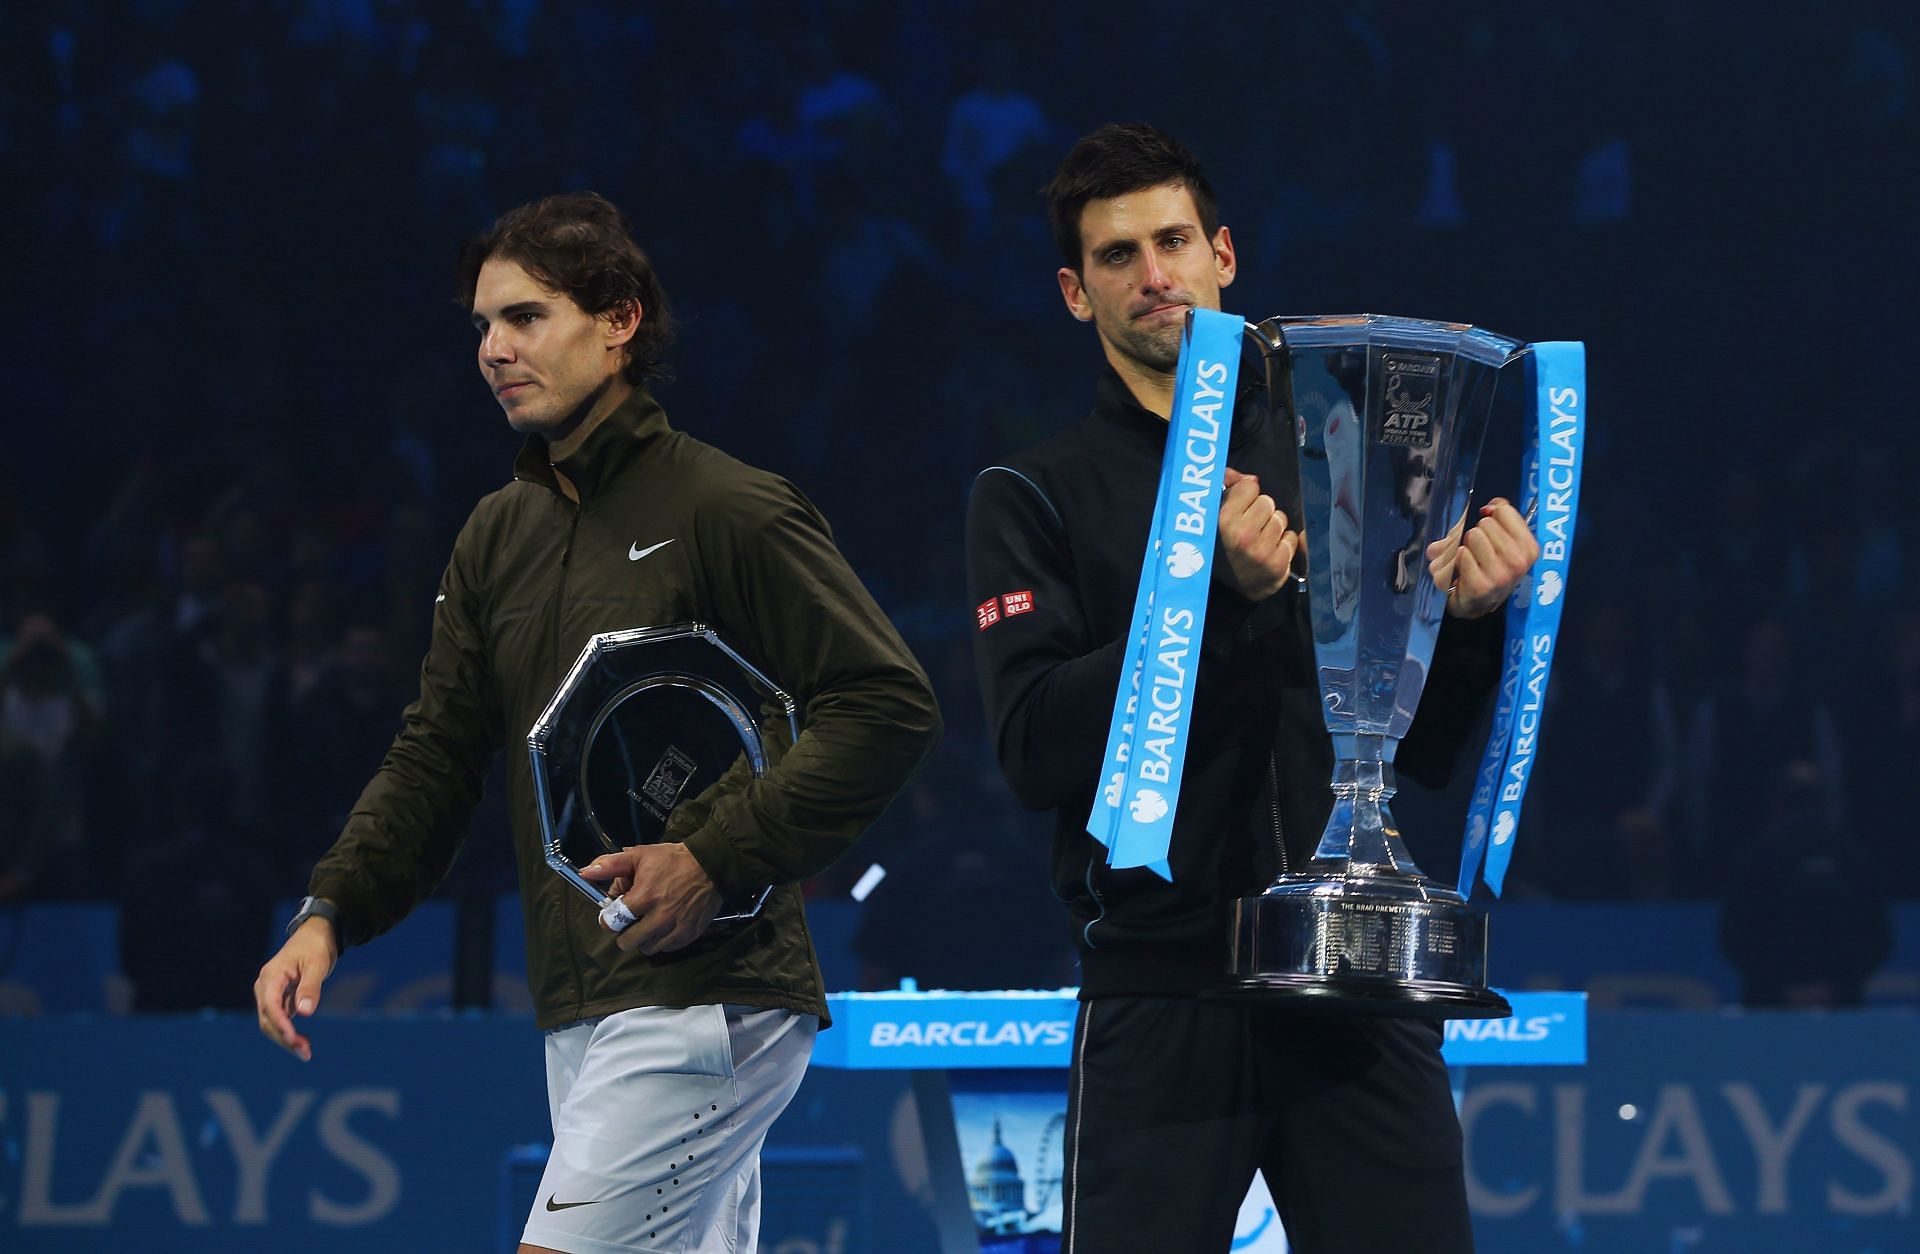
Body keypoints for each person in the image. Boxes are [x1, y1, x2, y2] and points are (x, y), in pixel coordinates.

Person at [252, 192, 941, 1254]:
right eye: (482, 326)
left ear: (618, 321)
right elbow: (436, 750)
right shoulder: (497, 538)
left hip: (708, 994)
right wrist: (331, 909)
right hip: (582, 999)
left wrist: (714, 855)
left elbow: (888, 704)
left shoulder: (729, 506)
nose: (494, 350)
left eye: (525, 317)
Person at [963, 124, 1539, 1253]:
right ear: (1076, 295)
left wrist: (1468, 627)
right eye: (1116, 257)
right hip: (1160, 991)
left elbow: (1414, 752)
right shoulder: (1032, 494)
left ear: (1225, 253)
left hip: (1357, 982)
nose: (1153, 275)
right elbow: (1034, 749)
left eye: (1172, 240)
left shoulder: (1353, 462)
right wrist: (1209, 599)